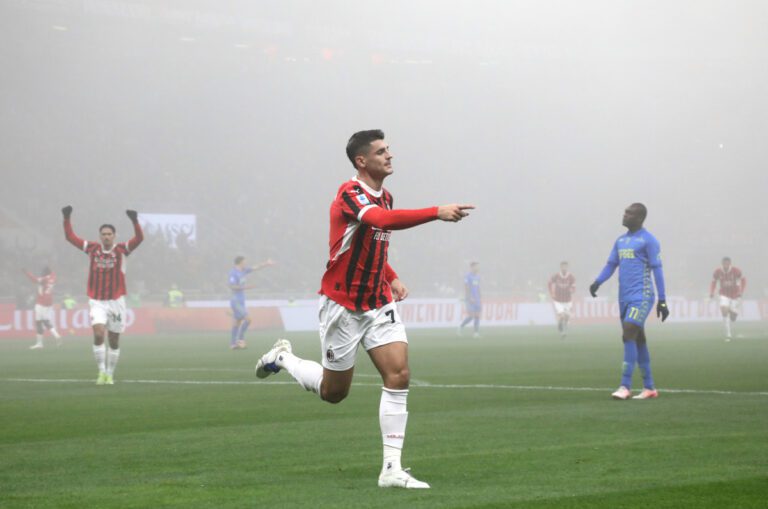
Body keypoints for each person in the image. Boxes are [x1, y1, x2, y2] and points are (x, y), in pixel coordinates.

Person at [254, 129, 473, 489]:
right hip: (342, 305)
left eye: (389, 150)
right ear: (362, 161)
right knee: (334, 393)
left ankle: (391, 469)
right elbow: (381, 223)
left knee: (399, 375)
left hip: (377, 303)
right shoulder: (350, 194)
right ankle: (284, 359)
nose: (390, 155)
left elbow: (375, 243)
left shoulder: (385, 196)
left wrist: (393, 277)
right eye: (382, 151)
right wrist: (436, 212)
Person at [589, 203, 669, 400]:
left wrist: (663, 300)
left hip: (642, 296)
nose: (624, 215)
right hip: (624, 298)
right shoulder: (621, 241)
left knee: (628, 332)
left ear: (640, 218)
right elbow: (611, 264)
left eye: (629, 213)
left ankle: (625, 386)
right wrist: (598, 281)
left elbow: (657, 269)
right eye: (625, 212)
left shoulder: (649, 241)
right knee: (637, 338)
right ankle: (649, 387)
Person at [62, 205, 144, 385]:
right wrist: (66, 218)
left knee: (113, 340)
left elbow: (139, 238)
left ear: (114, 236)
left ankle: (110, 374)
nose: (106, 236)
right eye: (103, 234)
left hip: (116, 301)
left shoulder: (122, 250)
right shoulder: (92, 248)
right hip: (97, 301)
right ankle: (100, 372)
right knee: (99, 334)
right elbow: (70, 237)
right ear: (100, 236)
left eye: (109, 234)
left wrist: (135, 221)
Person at [228, 257, 275, 349]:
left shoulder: (243, 271)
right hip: (236, 301)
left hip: (241, 301)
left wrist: (266, 263)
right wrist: (246, 287)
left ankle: (233, 344)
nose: (245, 263)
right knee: (248, 319)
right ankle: (240, 340)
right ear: (240, 262)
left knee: (237, 322)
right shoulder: (233, 273)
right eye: (244, 262)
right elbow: (232, 286)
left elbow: (255, 268)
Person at [22, 266, 61, 349]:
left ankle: (44, 341)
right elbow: (51, 273)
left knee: (40, 322)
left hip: (41, 302)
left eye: (43, 273)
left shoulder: (44, 279)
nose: (41, 274)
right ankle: (48, 339)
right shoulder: (53, 277)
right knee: (44, 320)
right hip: (49, 302)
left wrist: (26, 272)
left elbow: (34, 279)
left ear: (45, 273)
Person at [709, 257, 746, 342]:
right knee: (724, 311)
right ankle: (728, 333)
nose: (725, 265)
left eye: (727, 263)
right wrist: (711, 292)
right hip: (723, 294)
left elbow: (743, 280)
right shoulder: (717, 272)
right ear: (722, 263)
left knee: (733, 318)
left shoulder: (736, 271)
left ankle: (733, 312)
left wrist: (741, 291)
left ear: (730, 263)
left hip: (735, 295)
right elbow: (713, 282)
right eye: (724, 263)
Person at [548, 261, 575, 339]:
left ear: (567, 267)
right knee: (562, 316)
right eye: (563, 266)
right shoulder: (556, 276)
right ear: (560, 267)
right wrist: (551, 292)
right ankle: (562, 332)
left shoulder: (571, 277)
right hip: (558, 300)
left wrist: (572, 290)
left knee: (567, 317)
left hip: (568, 300)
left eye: (565, 266)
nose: (564, 268)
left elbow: (574, 287)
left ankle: (563, 327)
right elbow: (549, 283)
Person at [457, 261, 482, 337]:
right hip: (470, 298)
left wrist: (480, 295)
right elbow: (466, 287)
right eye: (476, 266)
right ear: (472, 267)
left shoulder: (478, 276)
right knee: (471, 316)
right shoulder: (467, 276)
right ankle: (461, 327)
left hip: (477, 299)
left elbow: (478, 286)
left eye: (478, 266)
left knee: (477, 316)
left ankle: (476, 333)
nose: (478, 268)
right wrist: (469, 297)